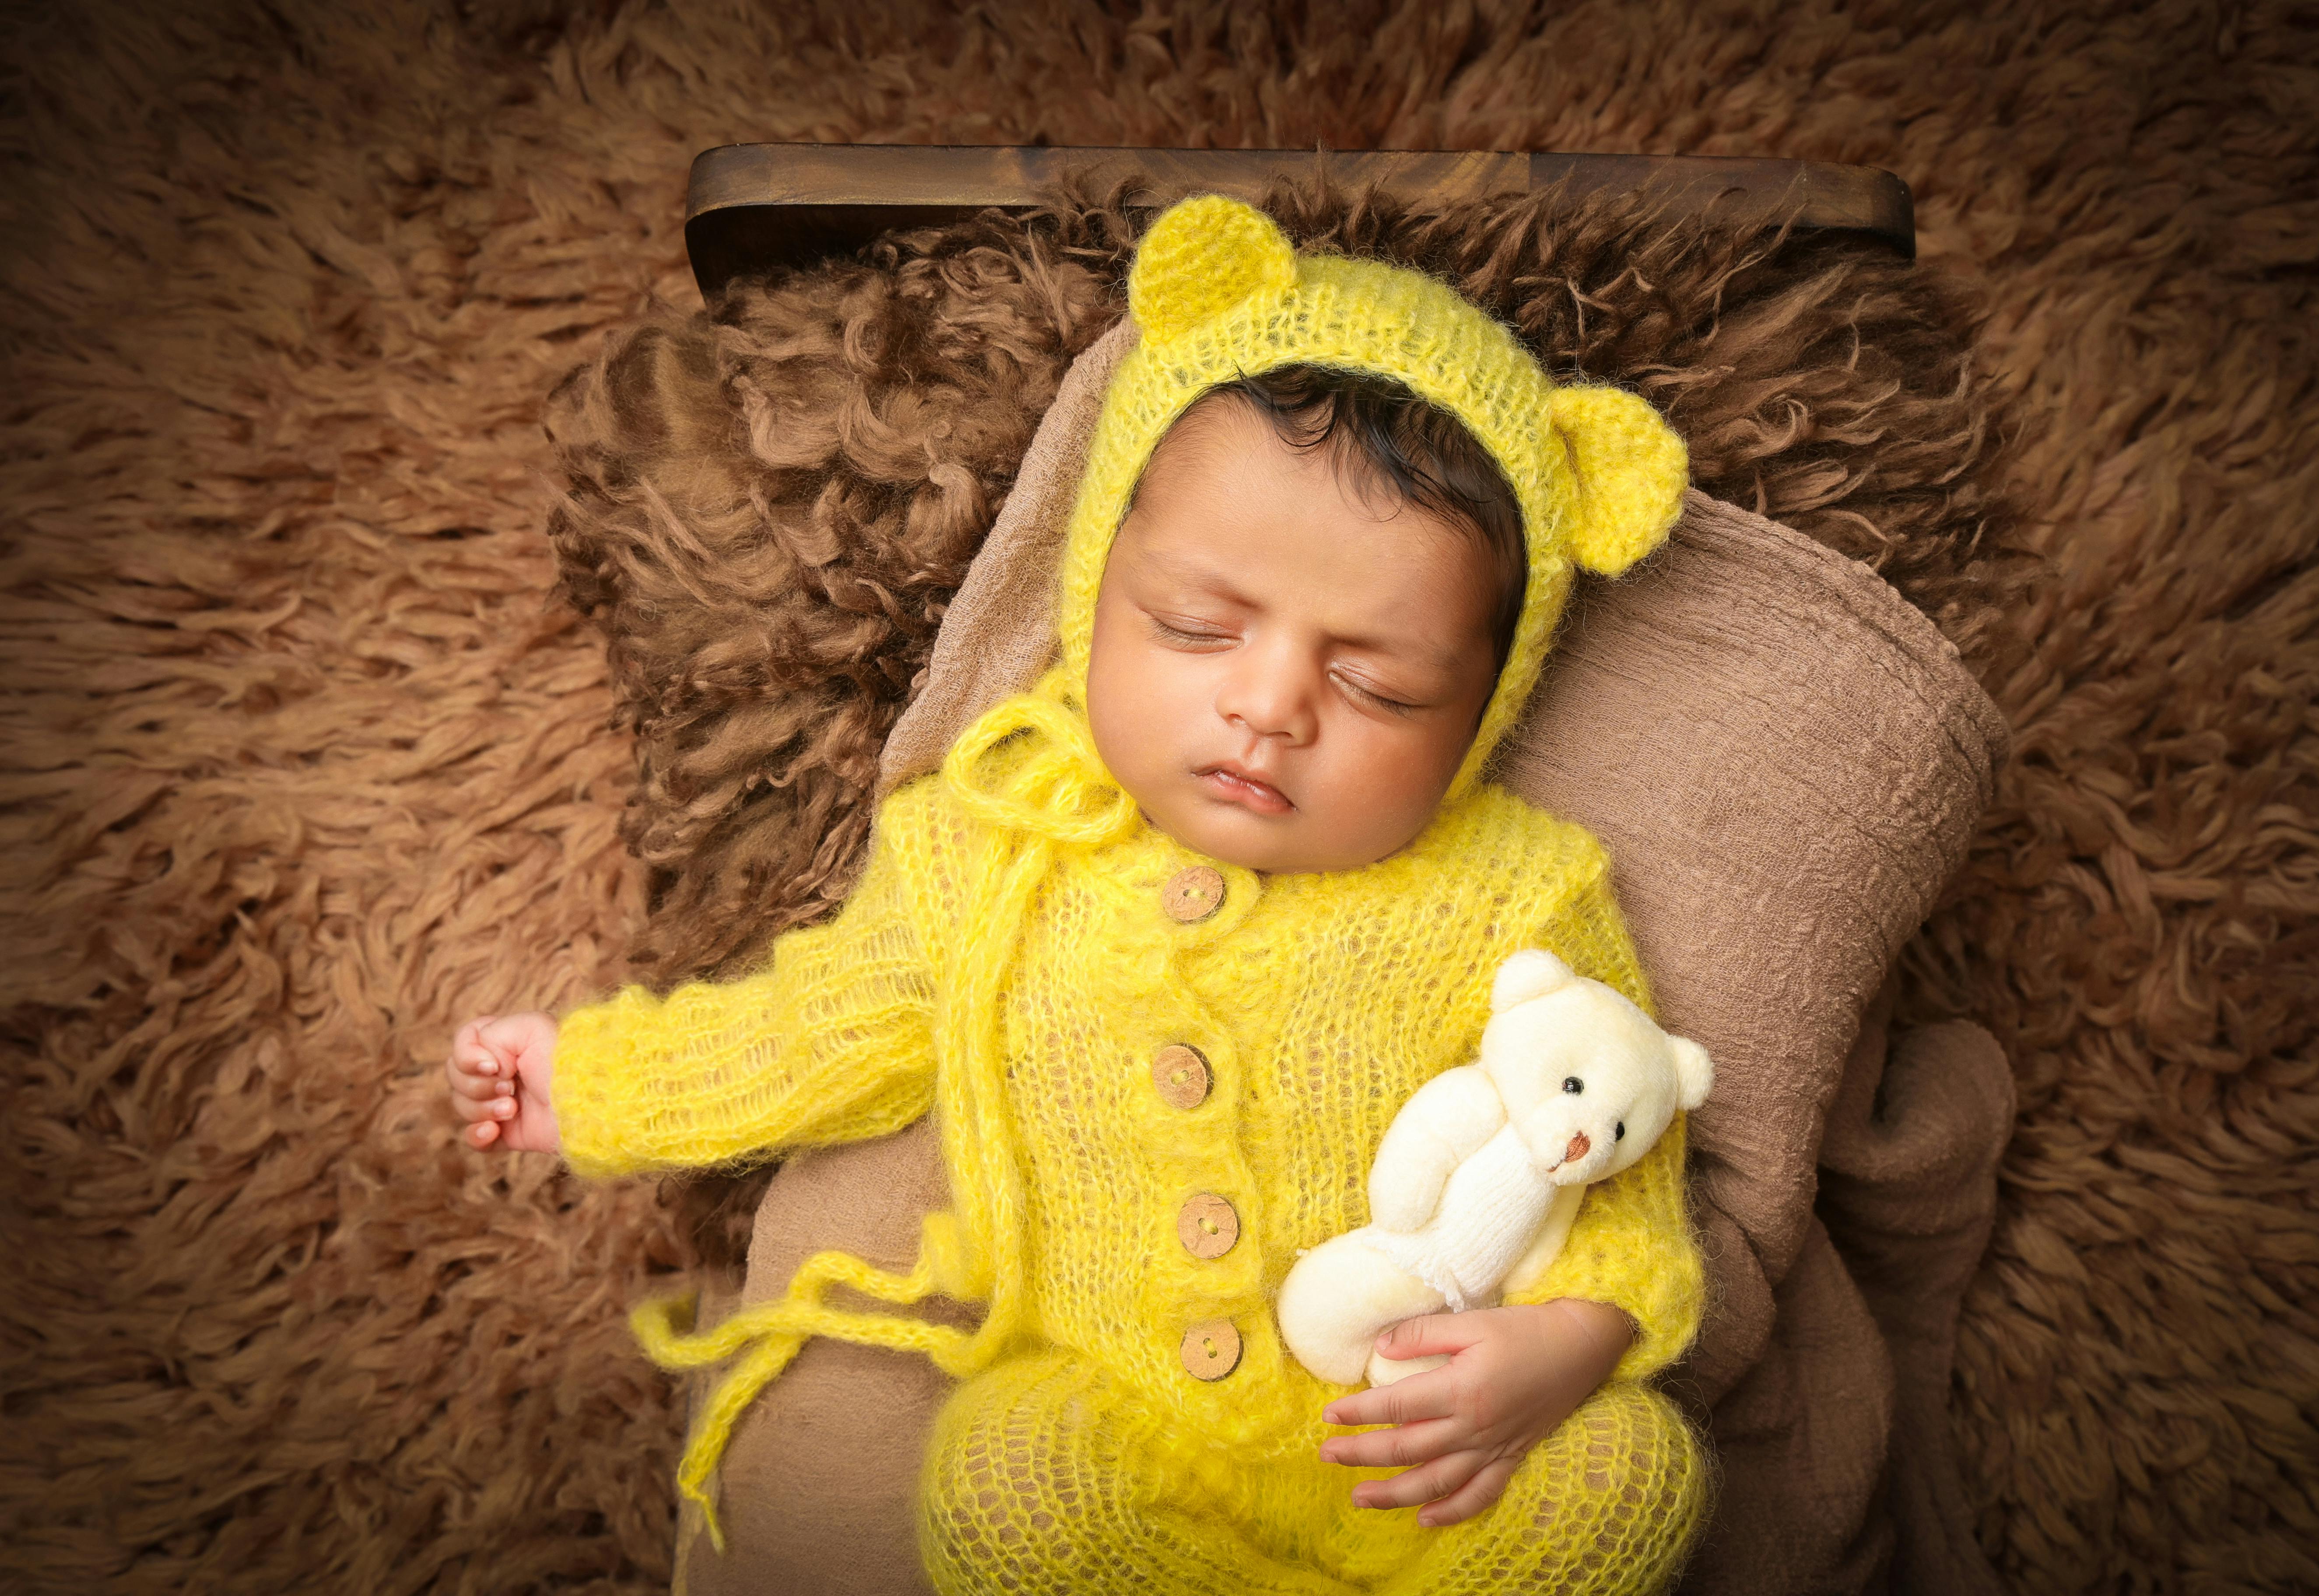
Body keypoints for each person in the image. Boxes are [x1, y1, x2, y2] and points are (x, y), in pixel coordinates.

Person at [445, 195, 1711, 1595]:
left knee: (1631, 1481)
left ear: (1484, 710)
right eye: (1195, 626)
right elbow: (818, 1036)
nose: (1268, 707)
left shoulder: (1520, 893)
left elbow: (1619, 1149)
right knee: (1004, 1475)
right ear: (1096, 589)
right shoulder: (997, 848)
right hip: (1131, 1425)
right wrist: (594, 1083)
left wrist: (1570, 1345)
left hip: (1426, 1457)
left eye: (1377, 685)